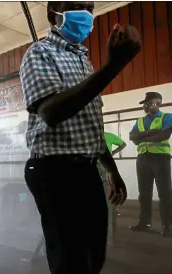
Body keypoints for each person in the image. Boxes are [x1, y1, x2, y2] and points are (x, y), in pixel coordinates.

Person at [20, 2, 140, 273]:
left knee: (94, 256)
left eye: (89, 6)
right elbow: (51, 112)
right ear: (53, 16)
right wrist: (113, 67)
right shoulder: (39, 53)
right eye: (75, 5)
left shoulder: (82, 60)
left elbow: (90, 124)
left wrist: (111, 168)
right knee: (71, 262)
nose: (85, 13)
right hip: (54, 170)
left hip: (86, 168)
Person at [129, 92, 172, 237]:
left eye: (149, 103)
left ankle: (168, 226)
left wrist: (142, 137)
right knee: (144, 193)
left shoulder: (167, 117)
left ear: (158, 102)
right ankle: (144, 223)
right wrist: (150, 132)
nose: (145, 106)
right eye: (144, 103)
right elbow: (132, 137)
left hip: (161, 158)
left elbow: (164, 135)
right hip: (143, 159)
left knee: (165, 193)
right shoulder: (140, 121)